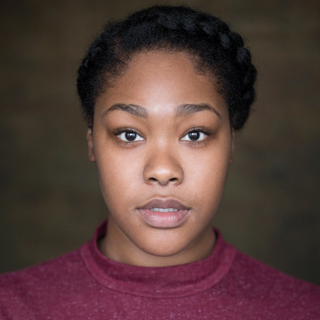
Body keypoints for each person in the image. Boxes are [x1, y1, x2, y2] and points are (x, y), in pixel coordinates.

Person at [0, 5, 319, 319]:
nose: (163, 171)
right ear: (92, 142)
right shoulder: (11, 307)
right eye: (128, 134)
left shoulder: (305, 310)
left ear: (231, 144)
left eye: (195, 134)